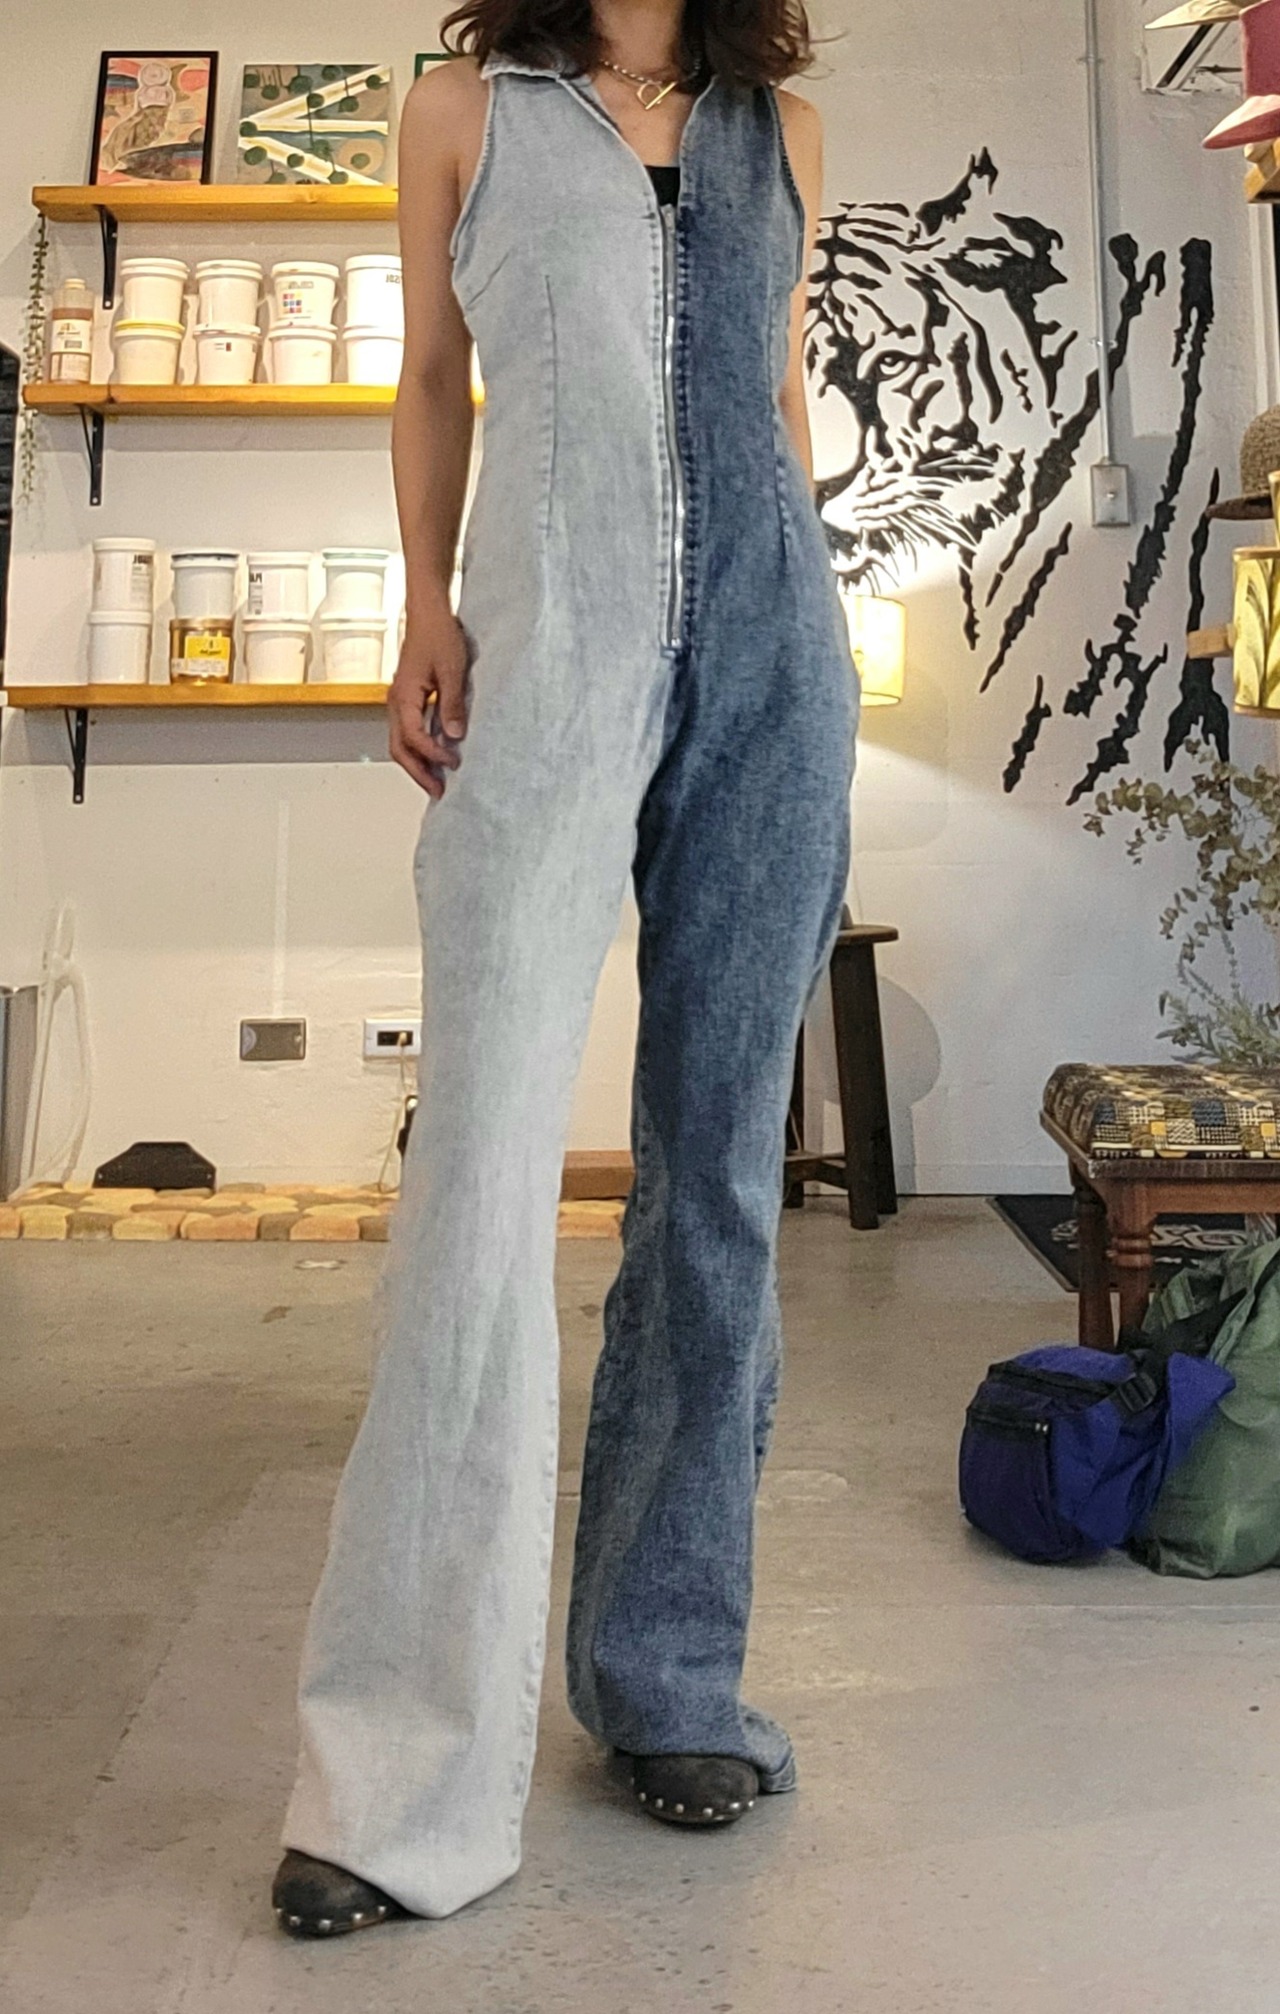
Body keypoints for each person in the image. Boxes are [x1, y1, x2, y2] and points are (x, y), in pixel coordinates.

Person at [272, 0, 858, 1939]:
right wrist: (421, 602)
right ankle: (395, 1769)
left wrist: (812, 628)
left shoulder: (782, 130)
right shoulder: (466, 112)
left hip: (772, 659)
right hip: (547, 645)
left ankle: (667, 1675)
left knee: (718, 1188)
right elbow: (433, 377)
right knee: (477, 1183)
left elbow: (778, 399)